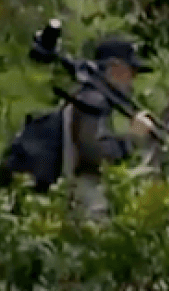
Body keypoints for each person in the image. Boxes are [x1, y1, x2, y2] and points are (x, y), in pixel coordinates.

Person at [63, 37, 161, 214]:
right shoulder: (91, 100)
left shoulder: (95, 99)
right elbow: (93, 153)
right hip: (85, 203)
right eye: (131, 71)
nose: (133, 79)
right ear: (115, 67)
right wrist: (132, 139)